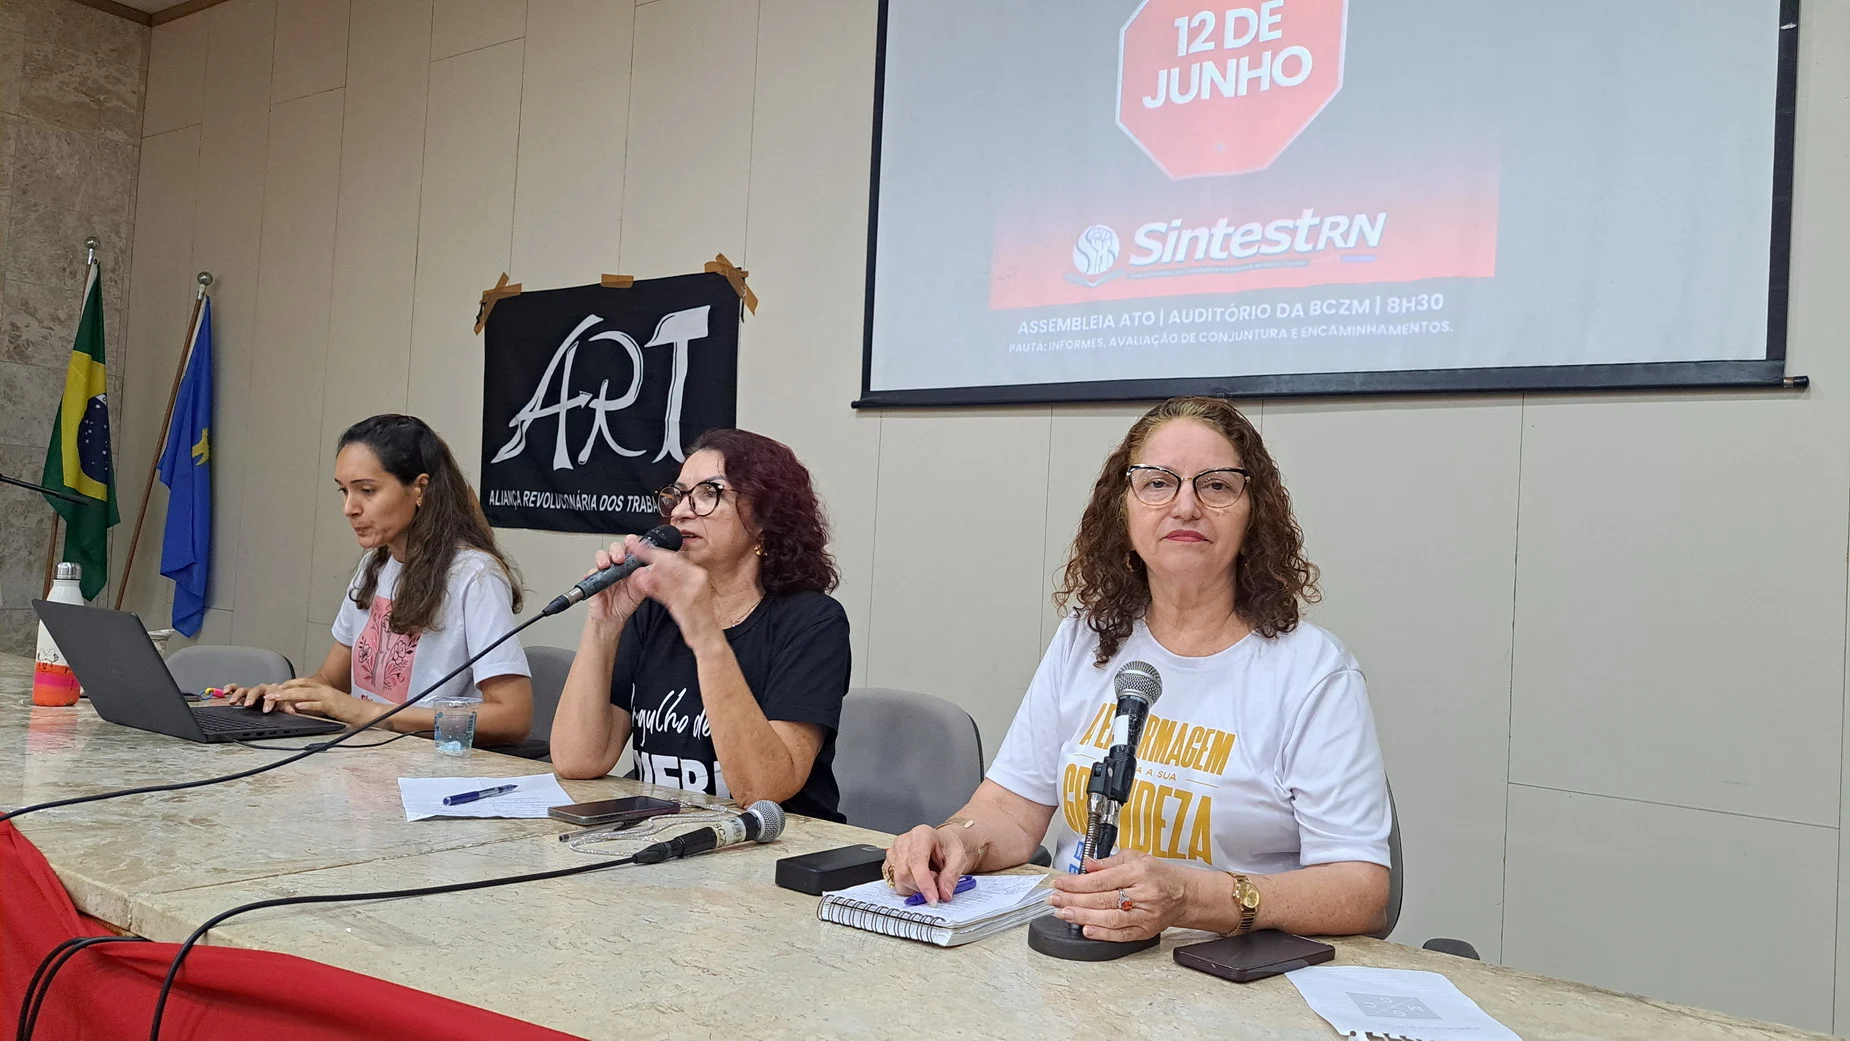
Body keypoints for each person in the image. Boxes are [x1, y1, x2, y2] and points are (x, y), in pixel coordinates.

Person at [886, 396, 1392, 941]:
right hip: (1078, 951)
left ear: (1254, 515)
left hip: (1225, 966)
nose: (1185, 506)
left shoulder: (1313, 671)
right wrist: (956, 840)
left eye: (1216, 485)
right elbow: (1010, 810)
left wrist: (1193, 898)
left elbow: (1360, 891)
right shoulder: (1086, 639)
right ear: (1123, 509)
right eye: (1157, 483)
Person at [550, 429, 851, 823]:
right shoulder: (652, 611)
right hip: (662, 833)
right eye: (677, 495)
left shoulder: (813, 622)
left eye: (709, 493)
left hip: (773, 844)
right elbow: (577, 760)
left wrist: (705, 635)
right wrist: (604, 623)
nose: (680, 511)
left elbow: (761, 790)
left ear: (765, 516)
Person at [225, 415, 534, 744]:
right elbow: (330, 681)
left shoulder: (475, 575)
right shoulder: (375, 564)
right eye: (344, 491)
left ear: (419, 489)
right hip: (365, 759)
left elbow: (512, 716)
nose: (349, 508)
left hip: (429, 766)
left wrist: (372, 714)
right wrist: (282, 697)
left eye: (367, 491)